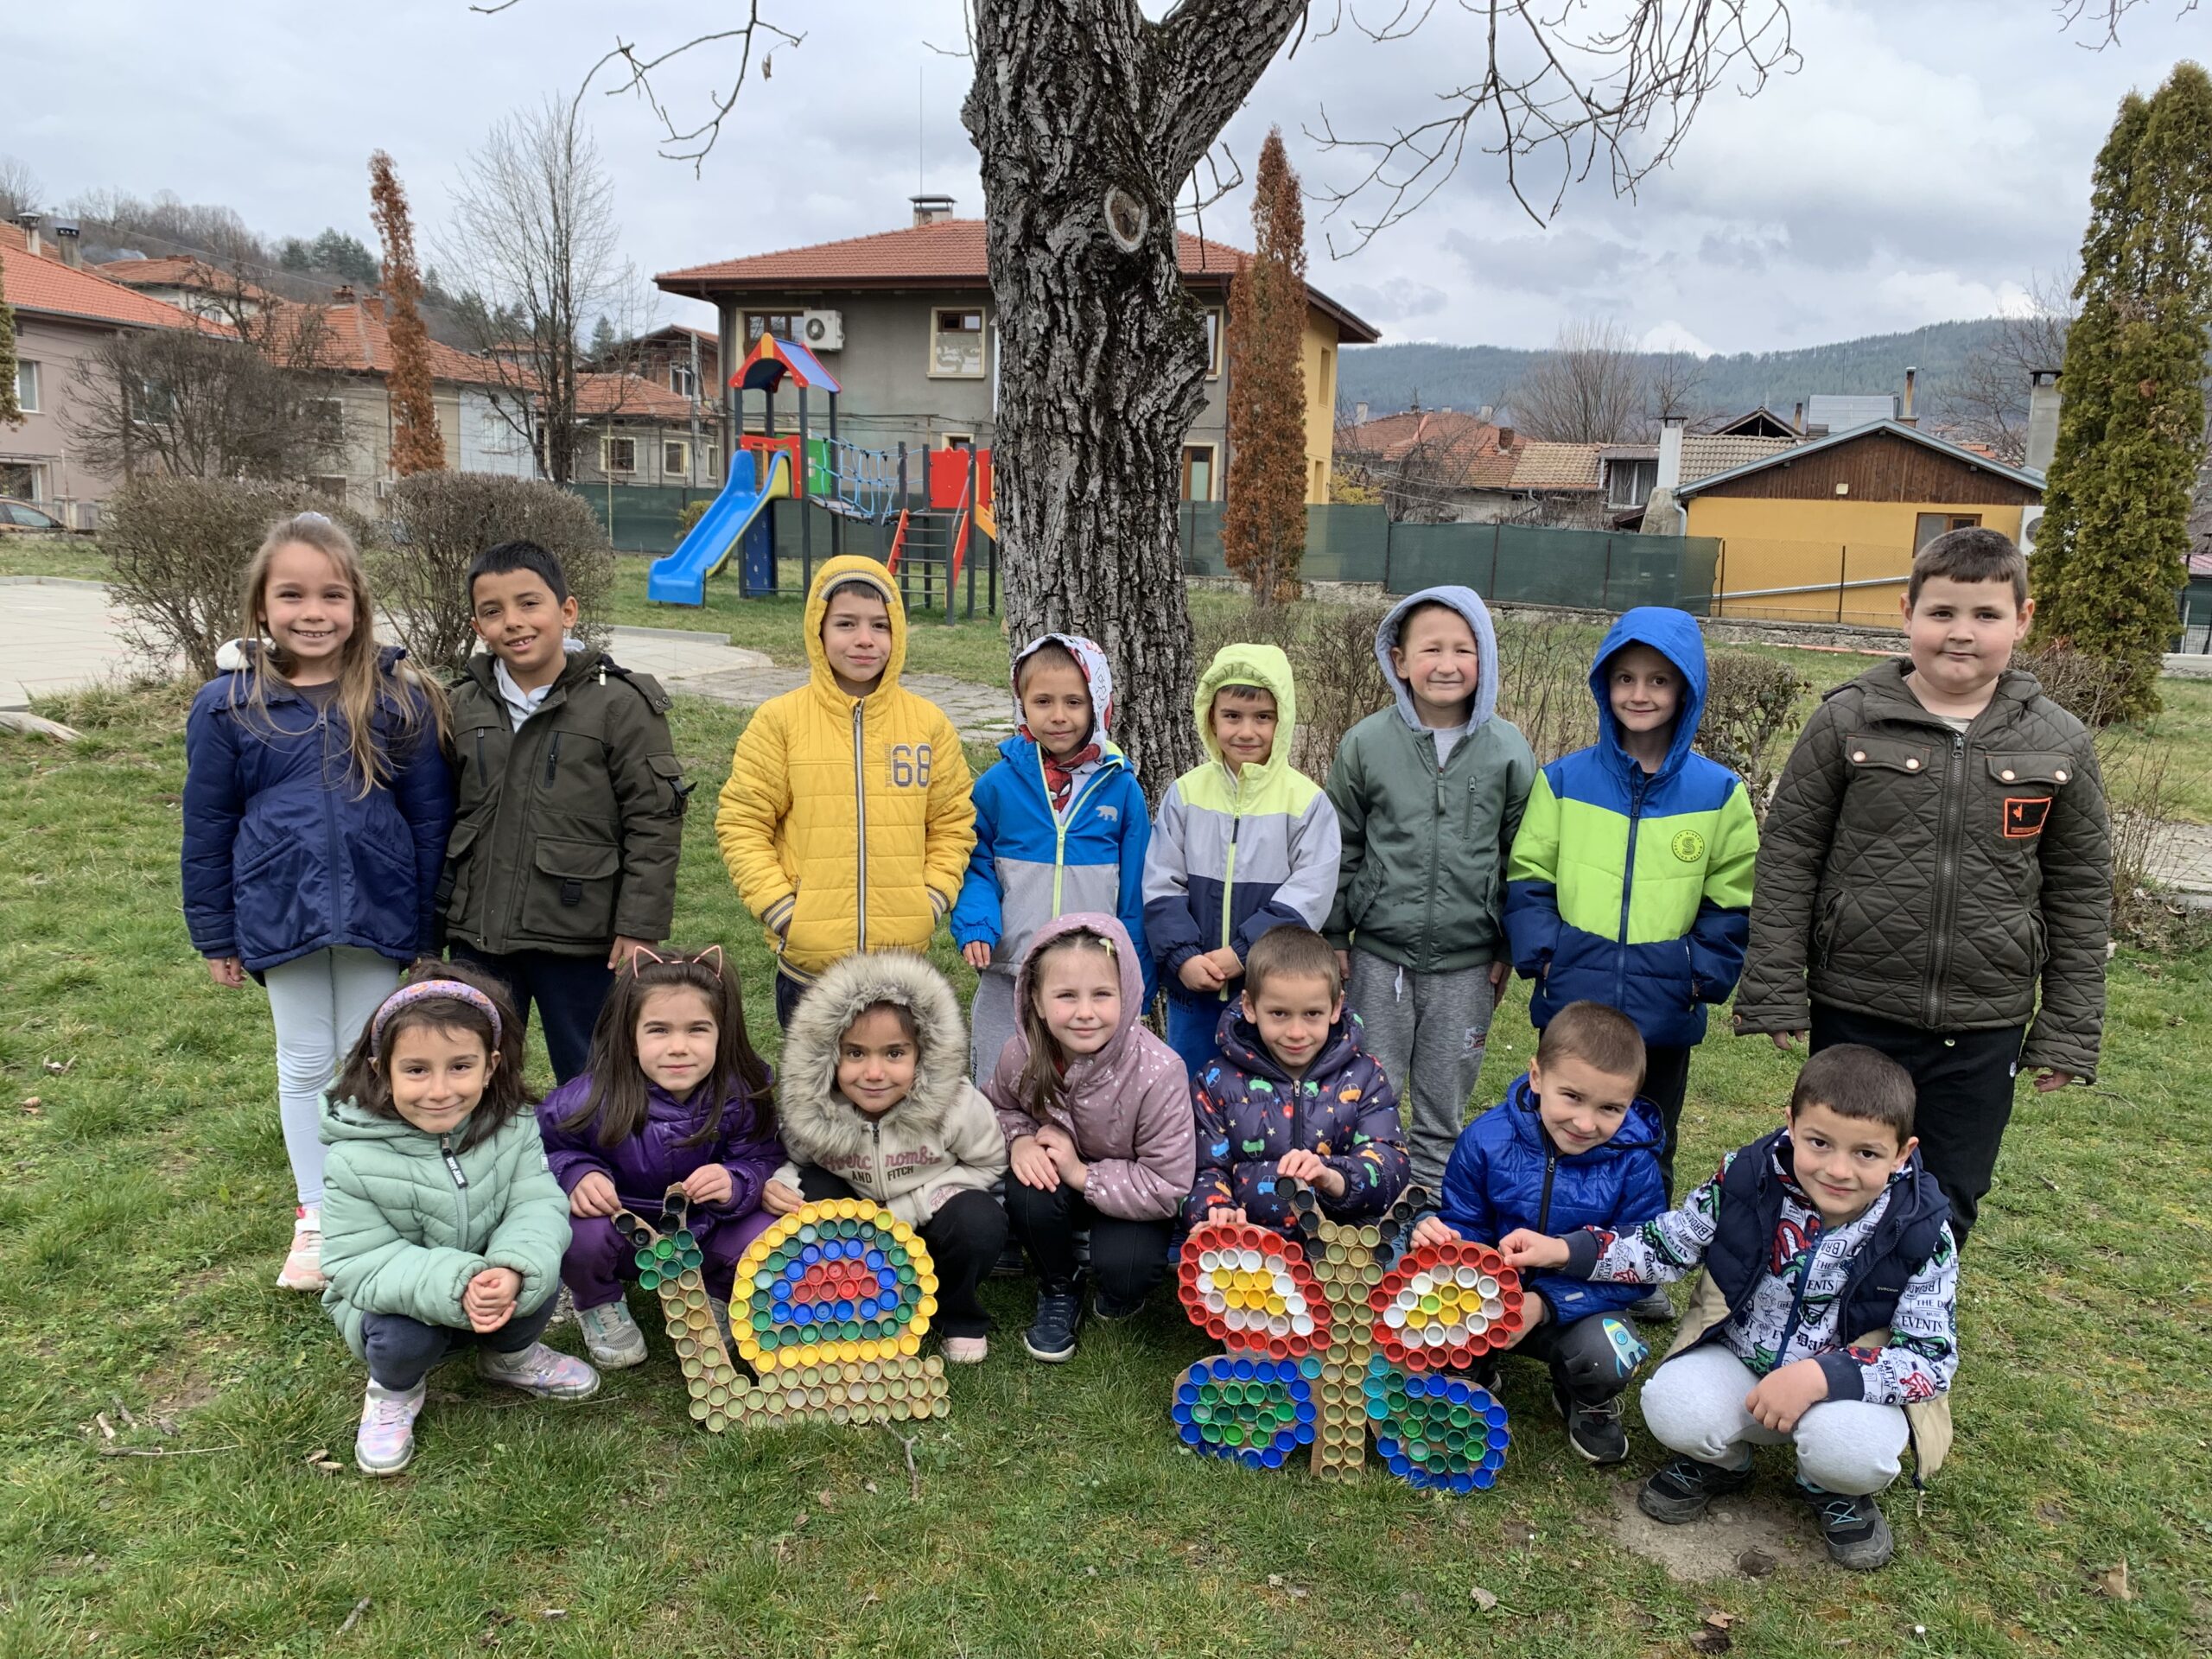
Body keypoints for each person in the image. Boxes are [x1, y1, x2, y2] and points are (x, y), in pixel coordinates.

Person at [1733, 527, 2111, 1246]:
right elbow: (1788, 860)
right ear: (1907, 613)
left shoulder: (2059, 741)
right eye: (1942, 613)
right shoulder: (1848, 720)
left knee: (1948, 1193)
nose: (1961, 633)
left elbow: (2081, 892)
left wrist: (2068, 1027)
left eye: (1986, 615)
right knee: (1837, 1183)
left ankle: (1910, 1314)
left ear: (2023, 620)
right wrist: (1776, 985)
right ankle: (1817, 1304)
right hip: (1856, 1007)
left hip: (1983, 1022)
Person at [1501, 1045, 1959, 1571]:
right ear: (1791, 1125)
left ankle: (1831, 1485)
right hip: (1740, 1358)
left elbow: (1931, 1359)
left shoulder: (1922, 1230)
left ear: (1902, 1153)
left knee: (1851, 1451)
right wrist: (1566, 1251)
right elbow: (1667, 1243)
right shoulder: (1745, 1177)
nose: (1838, 1169)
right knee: (1672, 1407)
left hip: (1846, 1390)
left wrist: (1821, 1377)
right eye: (1819, 1142)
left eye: (1867, 1154)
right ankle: (1723, 1461)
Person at [182, 511, 452, 1294]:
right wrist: (214, 932)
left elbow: (429, 821)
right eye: (292, 595)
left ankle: (372, 1202)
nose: (313, 612)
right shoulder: (228, 706)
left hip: (379, 907)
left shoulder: (397, 701)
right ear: (261, 607)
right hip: (280, 908)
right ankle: (317, 1215)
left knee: (370, 1056)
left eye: (332, 595)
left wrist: (425, 927)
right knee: (304, 1060)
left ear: (357, 604)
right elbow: (208, 825)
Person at [1503, 605, 1758, 1319]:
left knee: (1647, 1142)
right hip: (1575, 998)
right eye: (1625, 678)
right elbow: (1529, 875)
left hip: (1663, 1010)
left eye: (1658, 680)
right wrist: (1545, 956)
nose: (1639, 694)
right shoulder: (1563, 781)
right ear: (1603, 685)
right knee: (1560, 1133)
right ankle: (1547, 1254)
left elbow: (1731, 897)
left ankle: (1635, 1273)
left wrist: (1700, 973)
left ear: (1686, 690)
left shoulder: (1719, 794)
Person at [320, 962, 595, 1478]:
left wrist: (512, 1267)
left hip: (492, 1284)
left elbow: (537, 1204)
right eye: (416, 1070)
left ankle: (510, 1357)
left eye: (460, 1066)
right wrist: (459, 1279)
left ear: (491, 1066)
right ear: (381, 1070)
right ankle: (394, 1391)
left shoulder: (513, 1125)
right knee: (405, 1339)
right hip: (401, 1303)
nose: (440, 1090)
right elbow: (356, 1260)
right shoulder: (353, 1157)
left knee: (542, 1269)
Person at [443, 539, 686, 1084]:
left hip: (581, 935)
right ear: (478, 626)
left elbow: (654, 820)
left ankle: (591, 1145)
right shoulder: (461, 705)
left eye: (529, 603)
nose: (513, 621)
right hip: (480, 933)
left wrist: (639, 926)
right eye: (492, 611)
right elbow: (441, 818)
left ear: (567, 610)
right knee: (473, 1070)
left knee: (590, 1075)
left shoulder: (620, 704)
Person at [1325, 586, 1535, 1194]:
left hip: (1467, 966)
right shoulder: (1367, 743)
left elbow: (1522, 858)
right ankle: (1366, 1203)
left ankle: (1428, 1207)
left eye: (1463, 650)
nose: (1447, 665)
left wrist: (1507, 947)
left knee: (1444, 1100)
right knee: (1371, 1089)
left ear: (1485, 658)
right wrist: (1335, 933)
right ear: (1399, 660)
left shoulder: (1508, 750)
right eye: (1431, 649)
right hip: (1378, 958)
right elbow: (1341, 844)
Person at [716, 556, 976, 1028]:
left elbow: (952, 824)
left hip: (902, 968)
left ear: (898, 633)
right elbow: (743, 823)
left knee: (898, 1073)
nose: (864, 639)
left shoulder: (928, 725)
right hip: (811, 971)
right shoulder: (780, 722)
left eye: (880, 625)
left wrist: (930, 900)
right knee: (818, 1078)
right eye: (846, 623)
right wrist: (785, 912)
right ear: (818, 629)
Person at [1408, 1001, 1665, 1464]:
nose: (1585, 1123)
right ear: (1537, 1077)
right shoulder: (1485, 1139)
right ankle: (1473, 1366)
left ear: (1631, 1102)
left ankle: (1586, 1396)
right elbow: (1467, 1222)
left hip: (1579, 1311)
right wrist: (1445, 1242)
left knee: (1609, 1352)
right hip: (1492, 1297)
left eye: (1610, 1108)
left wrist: (1544, 1304)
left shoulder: (1637, 1165)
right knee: (1423, 1295)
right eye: (1572, 1097)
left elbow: (1639, 1267)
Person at [537, 946, 782, 1370]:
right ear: (630, 1038)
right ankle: (598, 1301)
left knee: (768, 1232)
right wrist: (575, 1173)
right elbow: (539, 1149)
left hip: (707, 1229)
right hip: (625, 1233)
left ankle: (718, 1293)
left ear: (722, 1033)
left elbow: (764, 1156)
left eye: (698, 1029)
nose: (678, 1047)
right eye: (658, 1030)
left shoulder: (742, 1093)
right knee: (575, 1230)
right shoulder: (589, 1097)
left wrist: (737, 1180)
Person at [763, 952, 1009, 1363]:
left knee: (979, 1220)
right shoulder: (816, 1108)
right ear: (828, 1056)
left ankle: (956, 1312)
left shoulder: (955, 1104)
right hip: (856, 1228)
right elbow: (797, 1161)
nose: (874, 1073)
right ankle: (846, 1303)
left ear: (923, 1053)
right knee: (810, 1191)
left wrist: (912, 1206)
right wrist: (782, 1183)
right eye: (855, 1054)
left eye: (894, 1054)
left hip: (932, 1222)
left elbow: (990, 1162)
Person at [984, 916, 1196, 1363]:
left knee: (1128, 1270)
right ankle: (1060, 1283)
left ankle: (1118, 1287)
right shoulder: (1022, 1054)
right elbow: (997, 1108)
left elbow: (1168, 1184)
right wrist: (1019, 1139)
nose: (1085, 1012)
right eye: (1066, 996)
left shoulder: (1159, 1071)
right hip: (1056, 1183)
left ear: (1127, 995)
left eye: (1102, 994)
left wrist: (1081, 1173)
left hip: (1131, 1193)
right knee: (1029, 1190)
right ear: (1037, 1001)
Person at [955, 634, 1154, 1076]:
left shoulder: (1120, 788)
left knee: (1089, 1083)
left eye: (1074, 702)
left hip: (1090, 977)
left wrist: (1136, 969)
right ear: (1022, 704)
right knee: (999, 1077)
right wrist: (977, 921)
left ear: (1097, 705)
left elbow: (1136, 887)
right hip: (1010, 971)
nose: (1058, 716)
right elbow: (974, 864)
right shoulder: (997, 785)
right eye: (1043, 701)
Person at [1145, 644, 1340, 1077]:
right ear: (1211, 718)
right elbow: (1161, 884)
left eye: (1262, 717)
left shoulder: (1306, 803)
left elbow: (1309, 894)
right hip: (1194, 989)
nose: (1246, 731)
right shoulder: (1186, 794)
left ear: (1282, 720)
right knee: (1190, 1088)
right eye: (1232, 716)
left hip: (1272, 994)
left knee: (1264, 1095)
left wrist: (1243, 954)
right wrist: (1184, 958)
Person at [1183, 925, 1408, 1237]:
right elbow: (1203, 1169)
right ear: (1249, 1007)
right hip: (1249, 1247)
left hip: (1343, 1248)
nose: (1296, 1033)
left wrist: (1333, 1178)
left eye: (1312, 1013)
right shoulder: (1216, 1082)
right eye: (1279, 1013)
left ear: (1336, 1007)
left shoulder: (1365, 1075)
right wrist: (1216, 1208)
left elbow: (1390, 1165)